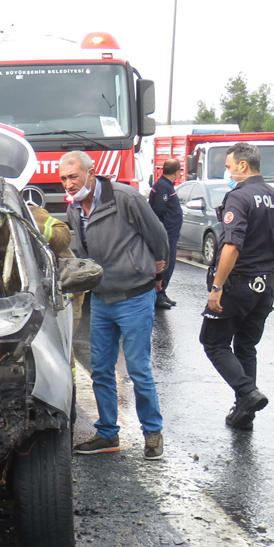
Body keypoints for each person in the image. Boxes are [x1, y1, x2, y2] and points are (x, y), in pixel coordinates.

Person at [59, 150, 168, 460]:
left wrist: (159, 272)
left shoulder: (125, 198)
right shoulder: (75, 210)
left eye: (73, 177)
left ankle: (153, 434)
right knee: (102, 371)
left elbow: (158, 236)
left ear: (91, 174)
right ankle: (107, 434)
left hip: (135, 295)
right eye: (64, 179)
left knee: (137, 369)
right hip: (102, 298)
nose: (68, 183)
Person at [200, 142, 274, 430]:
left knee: (213, 342)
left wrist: (217, 287)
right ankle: (244, 413)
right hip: (267, 283)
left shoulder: (239, 197)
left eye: (228, 167)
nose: (227, 173)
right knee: (246, 346)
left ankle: (248, 394)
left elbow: (231, 246)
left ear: (242, 165)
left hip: (238, 284)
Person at [148, 159, 183, 309]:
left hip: (171, 233)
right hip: (167, 234)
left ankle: (162, 292)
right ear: (176, 172)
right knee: (165, 264)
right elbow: (159, 210)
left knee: (169, 264)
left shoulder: (166, 185)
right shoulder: (163, 186)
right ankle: (158, 294)